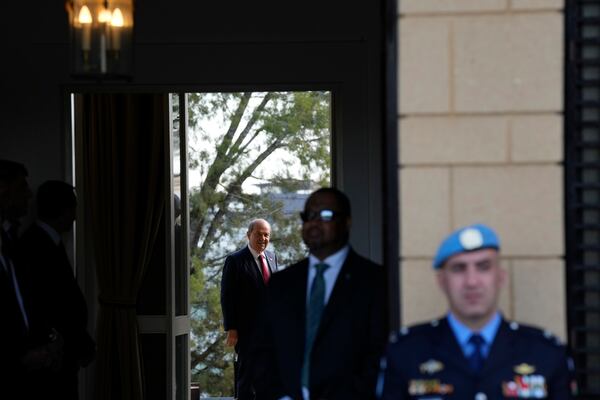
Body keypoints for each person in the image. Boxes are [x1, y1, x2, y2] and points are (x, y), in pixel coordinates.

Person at [379, 223, 576, 399]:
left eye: (483, 267)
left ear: (500, 277)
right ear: (442, 281)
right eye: (458, 269)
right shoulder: (406, 352)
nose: (472, 282)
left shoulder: (545, 352)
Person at [254, 187, 387, 400]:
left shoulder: (376, 282)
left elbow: (379, 356)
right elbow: (262, 351)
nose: (314, 222)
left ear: (347, 222)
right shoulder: (281, 283)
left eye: (325, 215)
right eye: (309, 215)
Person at [16, 180, 95, 399]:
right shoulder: (36, 246)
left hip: (60, 356)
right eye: (74, 208)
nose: (75, 216)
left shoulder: (42, 242)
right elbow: (51, 303)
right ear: (65, 210)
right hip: (53, 360)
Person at [220, 218, 279, 399]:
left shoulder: (272, 257)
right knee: (247, 378)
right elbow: (227, 296)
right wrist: (231, 328)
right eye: (258, 234)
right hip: (247, 331)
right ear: (248, 235)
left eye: (266, 234)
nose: (263, 238)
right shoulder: (235, 260)